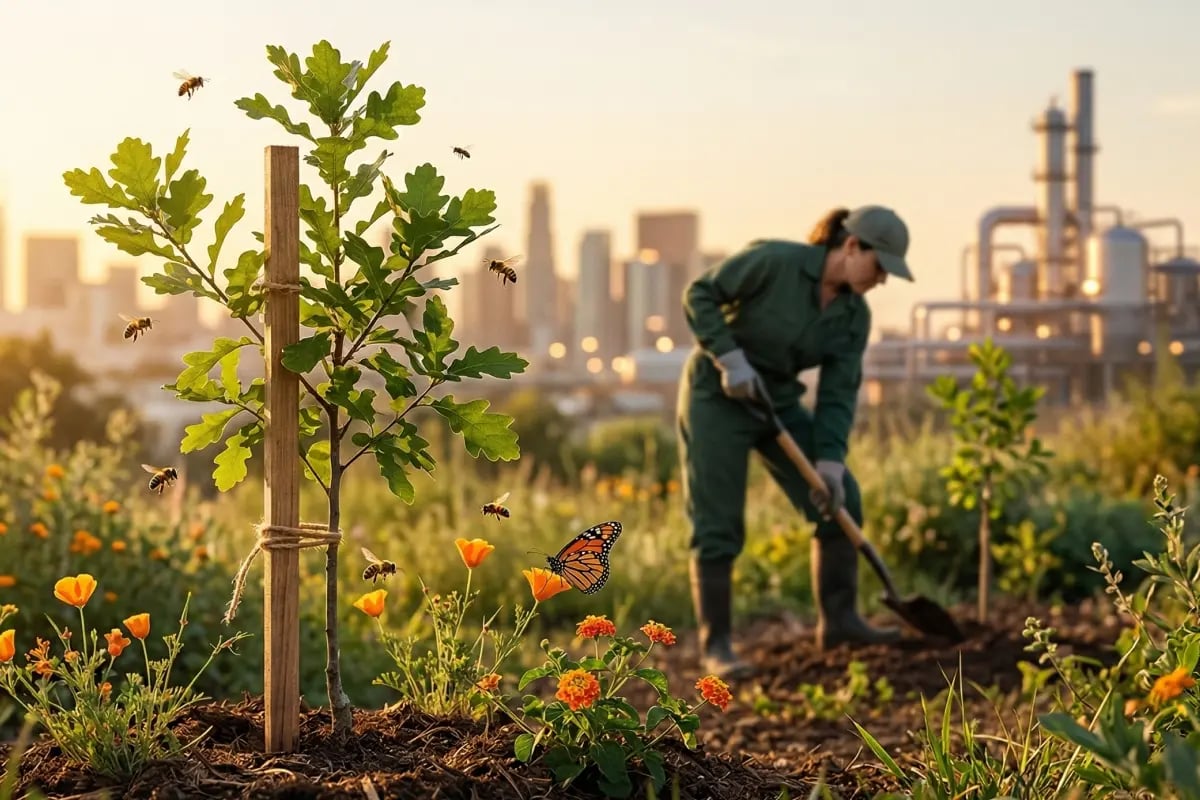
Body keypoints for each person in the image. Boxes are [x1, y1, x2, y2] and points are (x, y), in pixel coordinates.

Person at [676, 205, 916, 679]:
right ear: (851, 246)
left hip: (777, 402)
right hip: (718, 395)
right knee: (718, 520)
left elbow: (839, 392)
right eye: (880, 266)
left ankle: (840, 621)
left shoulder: (852, 316)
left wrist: (828, 460)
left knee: (840, 495)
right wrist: (729, 359)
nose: (882, 280)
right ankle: (717, 645)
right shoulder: (775, 262)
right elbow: (699, 293)